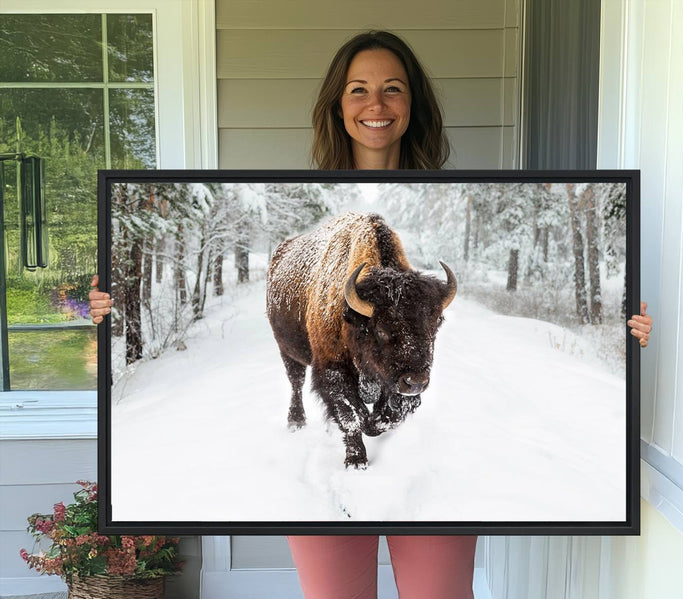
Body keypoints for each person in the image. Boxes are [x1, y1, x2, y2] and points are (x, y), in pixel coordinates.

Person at [89, 30, 652, 599]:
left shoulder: (443, 214)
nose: (376, 105)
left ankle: (385, 412)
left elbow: (413, 319)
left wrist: (630, 333)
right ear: (338, 104)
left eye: (393, 89)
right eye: (358, 90)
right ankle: (328, 418)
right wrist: (102, 310)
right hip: (323, 368)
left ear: (413, 105)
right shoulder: (324, 262)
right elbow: (330, 363)